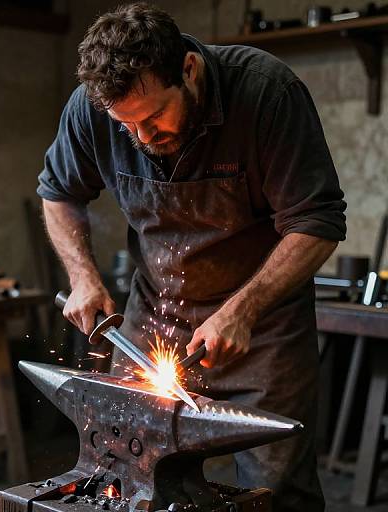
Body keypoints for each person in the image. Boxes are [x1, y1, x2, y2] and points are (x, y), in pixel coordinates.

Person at [37, 3, 346, 511]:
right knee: (124, 477)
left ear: (189, 70)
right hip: (154, 317)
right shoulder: (89, 110)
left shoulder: (267, 93)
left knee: (277, 489)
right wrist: (83, 276)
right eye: (126, 127)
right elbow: (58, 193)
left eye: (156, 117)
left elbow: (318, 220)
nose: (143, 137)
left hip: (262, 329)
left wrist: (243, 310)